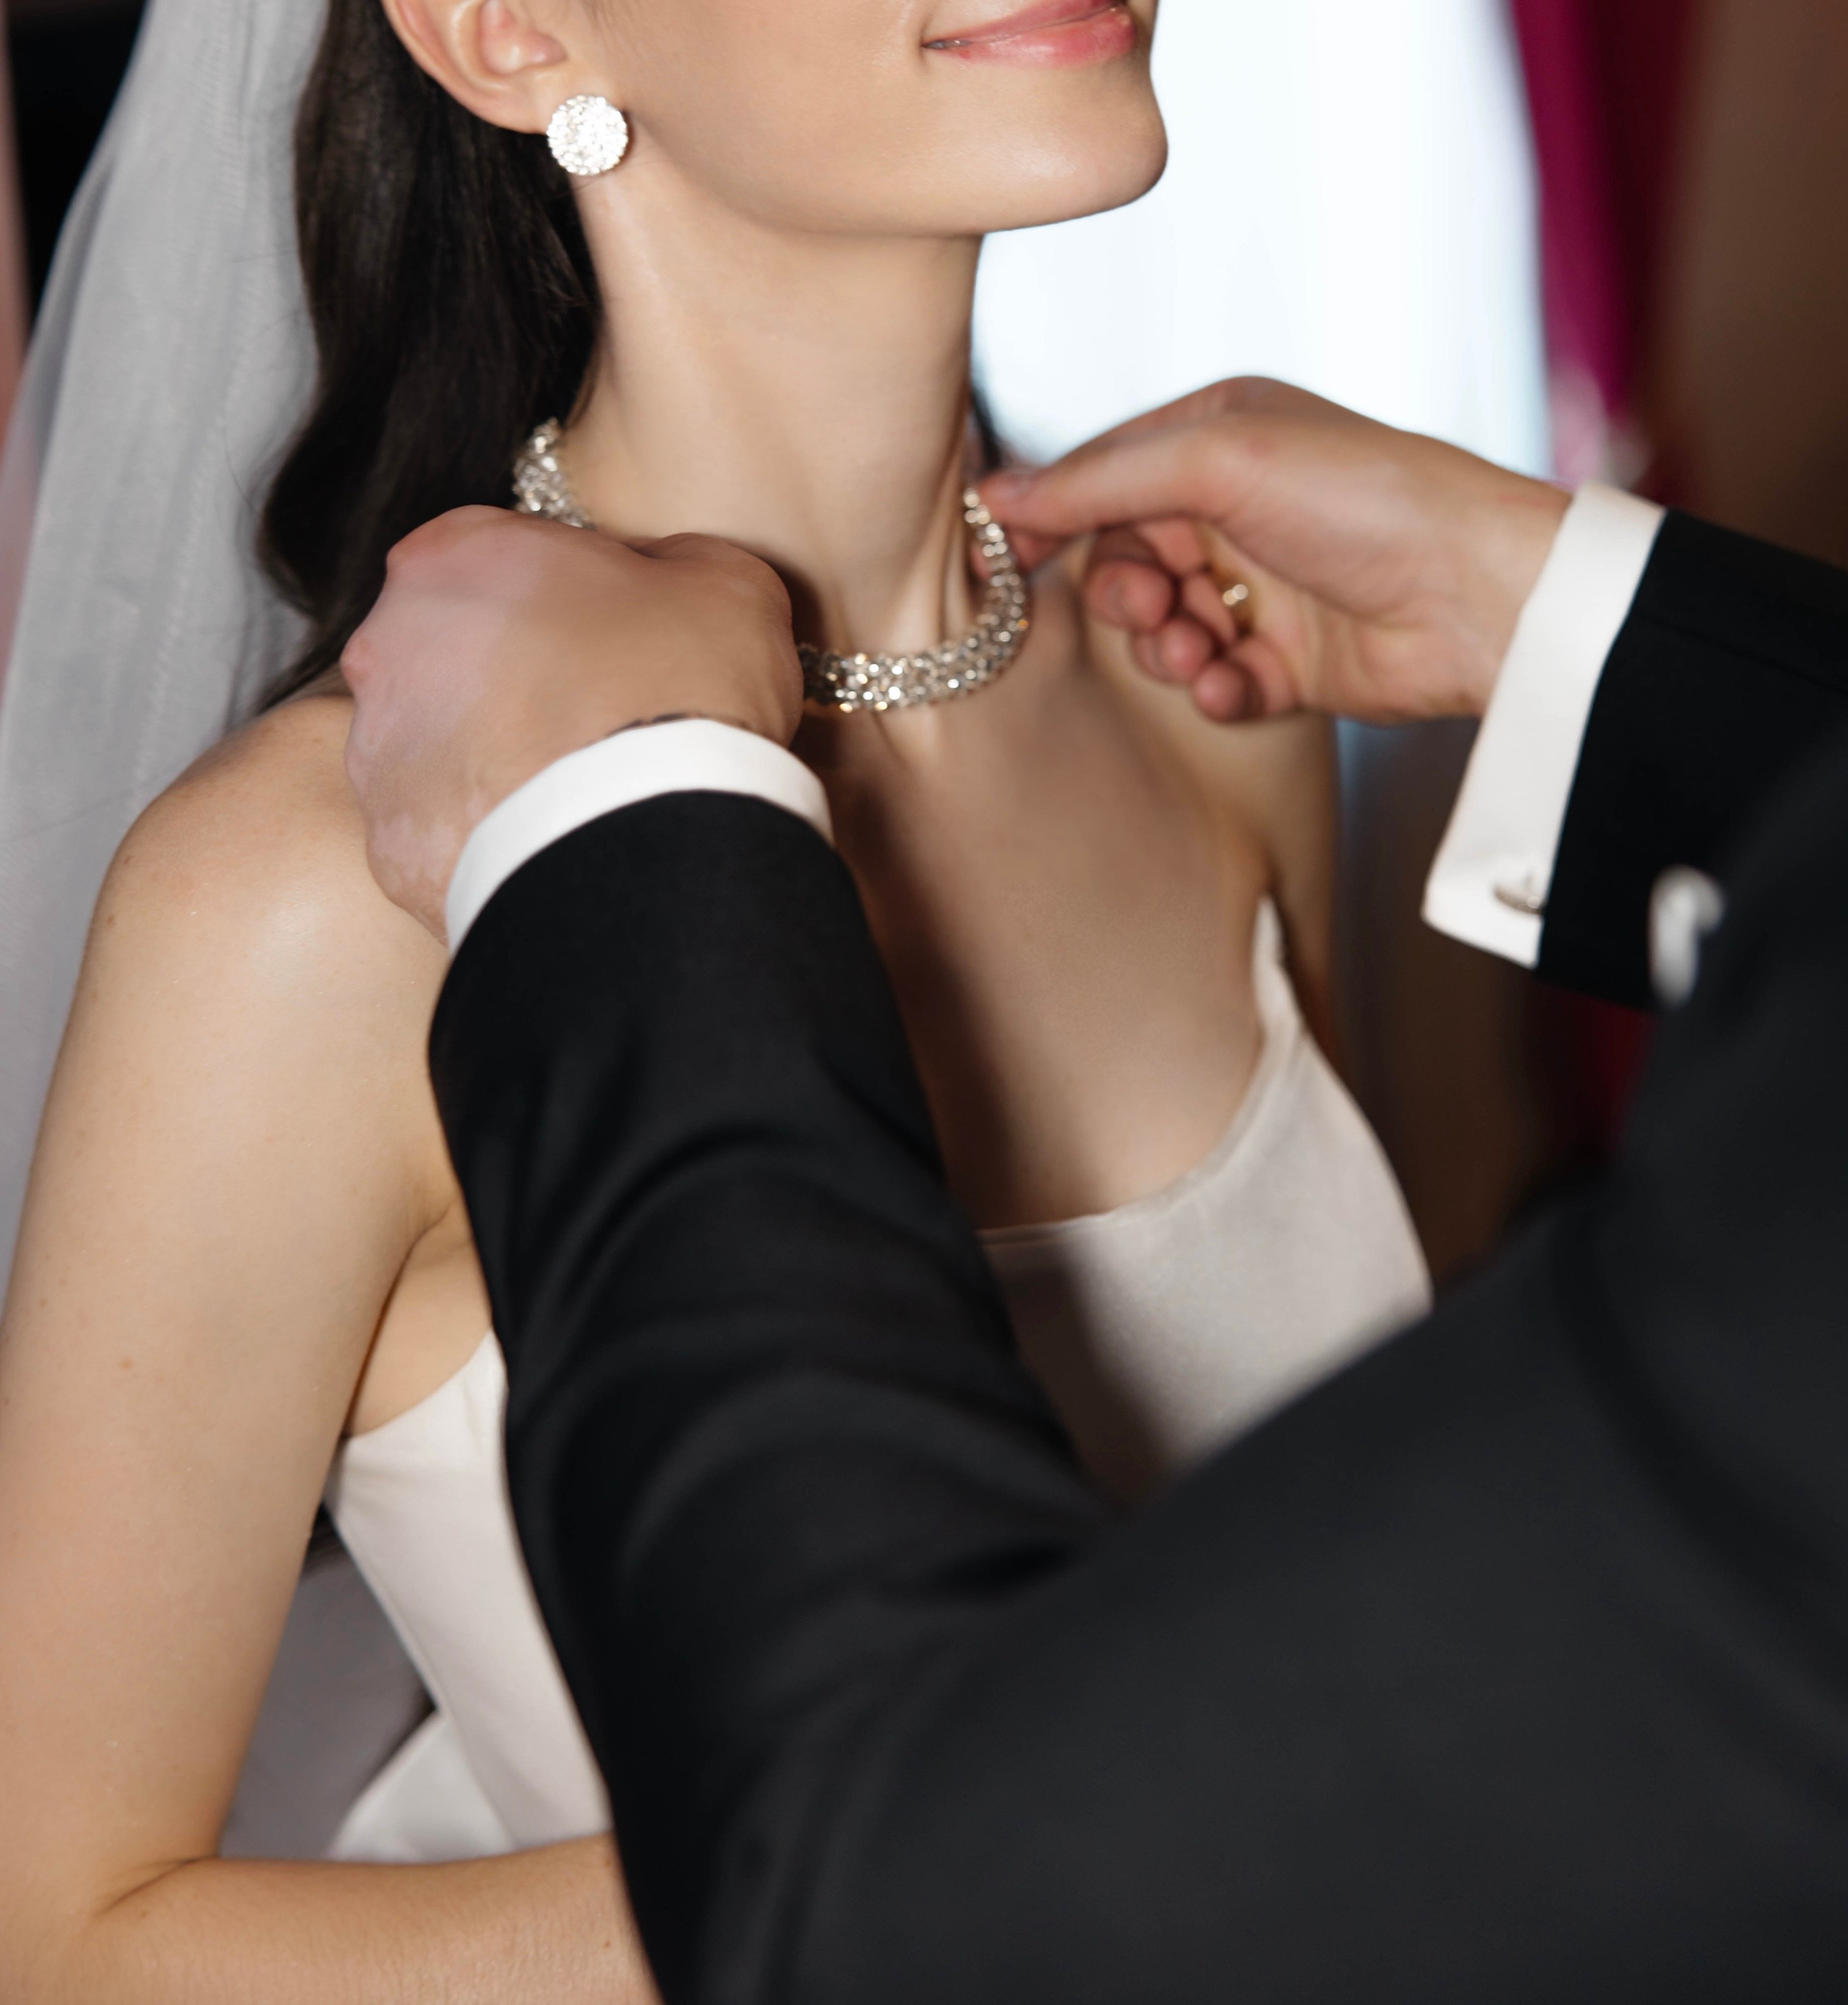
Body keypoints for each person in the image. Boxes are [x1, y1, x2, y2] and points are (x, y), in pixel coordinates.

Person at [0, 0, 1428, 1998]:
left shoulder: (1196, 685)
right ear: (502, 22)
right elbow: (53, 1928)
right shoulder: (310, 908)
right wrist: (998, 1863)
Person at [342, 377, 1848, 2003]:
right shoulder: (316, 903)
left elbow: (927, 1904)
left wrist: (611, 836)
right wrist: (1544, 597)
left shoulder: (1187, 711)